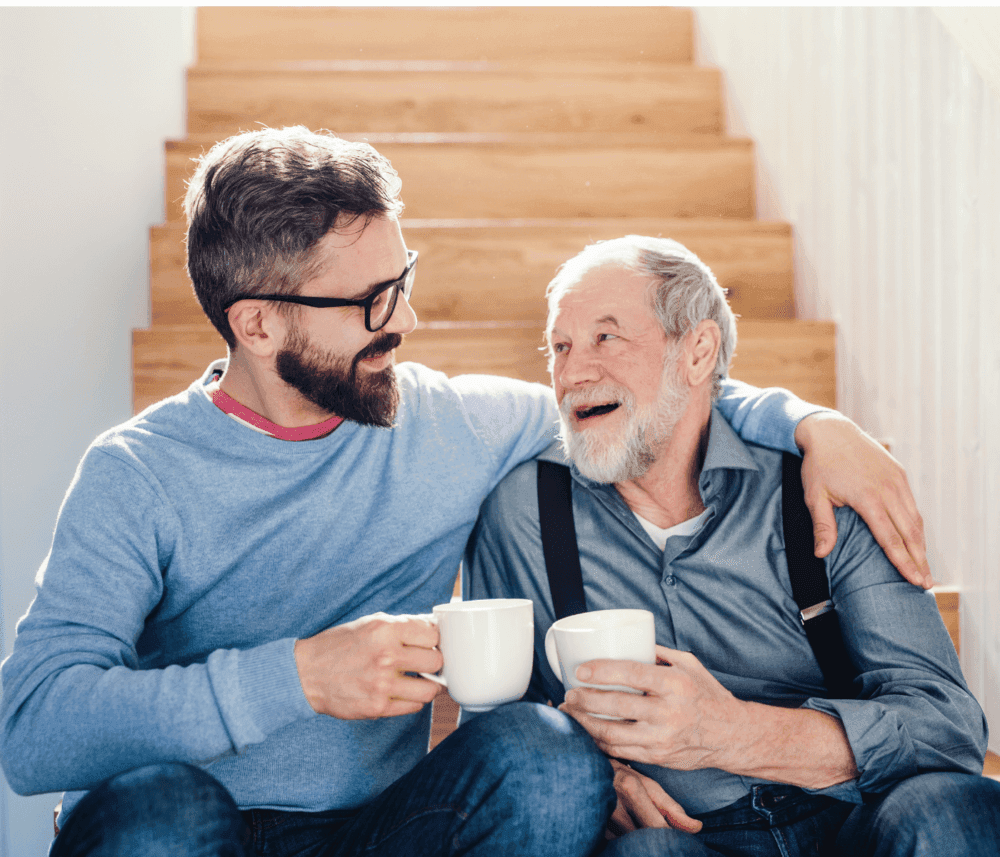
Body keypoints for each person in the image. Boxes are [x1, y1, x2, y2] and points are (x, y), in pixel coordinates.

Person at [0, 127, 927, 857]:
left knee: (548, 757)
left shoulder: (446, 423)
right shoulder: (139, 472)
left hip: (379, 830)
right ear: (258, 324)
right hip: (188, 827)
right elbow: (34, 730)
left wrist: (811, 423)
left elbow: (641, 396)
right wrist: (298, 678)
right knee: (163, 807)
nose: (406, 319)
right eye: (370, 301)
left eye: (402, 280)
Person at [465, 235, 1000, 856]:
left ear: (697, 351)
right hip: (682, 838)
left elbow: (948, 729)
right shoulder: (525, 513)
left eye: (606, 338)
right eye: (560, 346)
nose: (573, 372)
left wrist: (736, 733)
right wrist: (599, 781)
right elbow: (506, 734)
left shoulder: (823, 487)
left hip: (852, 817)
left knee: (952, 815)